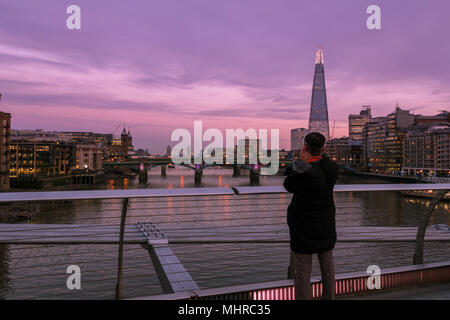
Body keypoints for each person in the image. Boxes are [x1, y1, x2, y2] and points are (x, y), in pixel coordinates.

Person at [283, 132, 339, 300]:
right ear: (323, 148)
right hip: (325, 223)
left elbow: (288, 186)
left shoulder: (300, 169)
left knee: (302, 272)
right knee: (328, 268)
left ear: (305, 148)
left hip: (302, 225)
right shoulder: (332, 168)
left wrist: (300, 163)